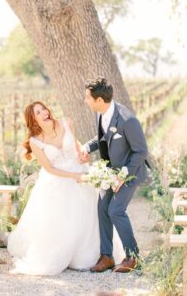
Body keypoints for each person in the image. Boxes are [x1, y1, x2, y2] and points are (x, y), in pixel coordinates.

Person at [7, 101, 124, 275]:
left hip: (81, 172)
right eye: (38, 112)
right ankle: (61, 252)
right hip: (57, 181)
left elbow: (77, 147)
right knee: (61, 219)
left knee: (87, 214)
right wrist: (74, 177)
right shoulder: (35, 141)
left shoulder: (66, 122)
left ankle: (89, 254)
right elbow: (49, 169)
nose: (44, 113)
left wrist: (83, 155)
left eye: (44, 109)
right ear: (33, 120)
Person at [80, 77, 149, 273]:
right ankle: (107, 256)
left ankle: (132, 257)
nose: (86, 101)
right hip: (110, 172)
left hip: (130, 170)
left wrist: (123, 175)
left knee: (115, 210)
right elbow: (102, 138)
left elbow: (141, 151)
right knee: (102, 207)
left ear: (99, 100)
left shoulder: (128, 120)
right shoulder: (100, 113)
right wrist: (87, 147)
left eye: (88, 98)